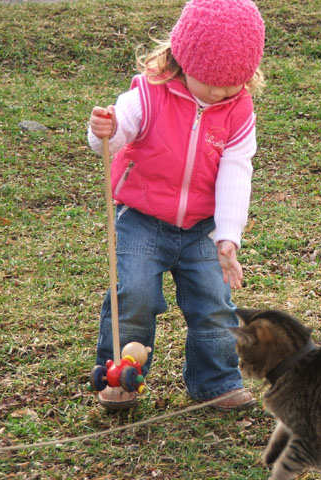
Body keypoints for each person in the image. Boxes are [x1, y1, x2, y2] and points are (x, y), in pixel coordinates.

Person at [87, 0, 265, 410]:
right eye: (211, 83)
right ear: (183, 62)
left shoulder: (237, 110)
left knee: (214, 305)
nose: (221, 92)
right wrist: (106, 130)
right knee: (133, 296)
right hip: (141, 220)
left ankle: (216, 383)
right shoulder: (148, 96)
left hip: (202, 226)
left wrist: (228, 238)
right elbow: (113, 135)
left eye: (232, 85)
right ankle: (119, 379)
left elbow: (236, 172)